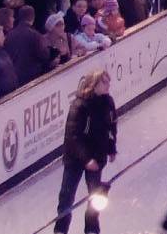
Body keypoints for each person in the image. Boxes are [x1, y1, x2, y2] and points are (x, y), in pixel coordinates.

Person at [53, 70, 117, 234]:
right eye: (104, 82)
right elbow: (73, 136)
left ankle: (92, 229)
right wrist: (86, 159)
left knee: (96, 197)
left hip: (97, 155)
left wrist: (111, 148)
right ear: (94, 84)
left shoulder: (108, 102)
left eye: (108, 82)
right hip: (75, 159)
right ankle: (60, 230)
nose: (108, 85)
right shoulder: (80, 105)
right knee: (66, 197)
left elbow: (111, 127)